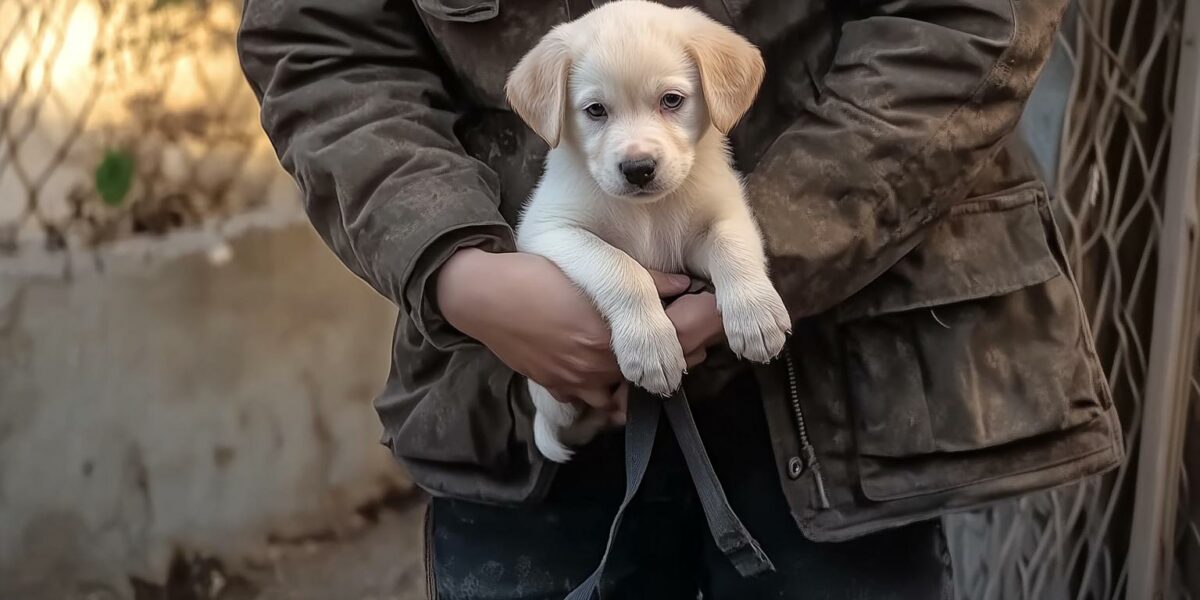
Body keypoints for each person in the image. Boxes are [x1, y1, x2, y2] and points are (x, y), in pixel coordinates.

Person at [237, 1, 1124, 597]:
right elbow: (321, 47)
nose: (637, 144)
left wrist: (757, 264)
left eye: (670, 101)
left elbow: (967, 17)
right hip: (514, 391)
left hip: (846, 385)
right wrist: (460, 270)